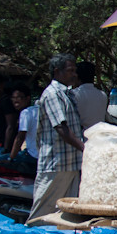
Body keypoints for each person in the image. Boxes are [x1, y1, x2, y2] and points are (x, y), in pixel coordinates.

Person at [27, 54, 85, 222]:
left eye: (75, 71)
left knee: (67, 213)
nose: (74, 74)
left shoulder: (67, 94)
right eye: (70, 71)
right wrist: (85, 148)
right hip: (56, 164)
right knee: (42, 212)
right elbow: (61, 128)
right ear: (57, 72)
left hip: (71, 163)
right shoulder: (52, 94)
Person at [0, 84, 38, 175]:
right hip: (41, 154)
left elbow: (20, 138)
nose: (15, 101)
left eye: (19, 97)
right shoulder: (37, 110)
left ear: (27, 98)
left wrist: (11, 158)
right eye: (13, 98)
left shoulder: (26, 113)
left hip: (33, 155)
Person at [72, 61, 108, 132]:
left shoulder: (73, 95)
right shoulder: (103, 95)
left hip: (82, 139)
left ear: (77, 76)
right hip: (99, 137)